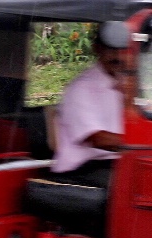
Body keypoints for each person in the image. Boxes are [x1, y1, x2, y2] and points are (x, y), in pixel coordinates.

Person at [51, 24, 134, 189]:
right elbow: (98, 139)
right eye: (111, 50)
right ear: (97, 49)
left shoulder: (125, 84)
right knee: (135, 189)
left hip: (114, 164)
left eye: (122, 51)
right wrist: (144, 143)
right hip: (82, 171)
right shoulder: (81, 88)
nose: (117, 57)